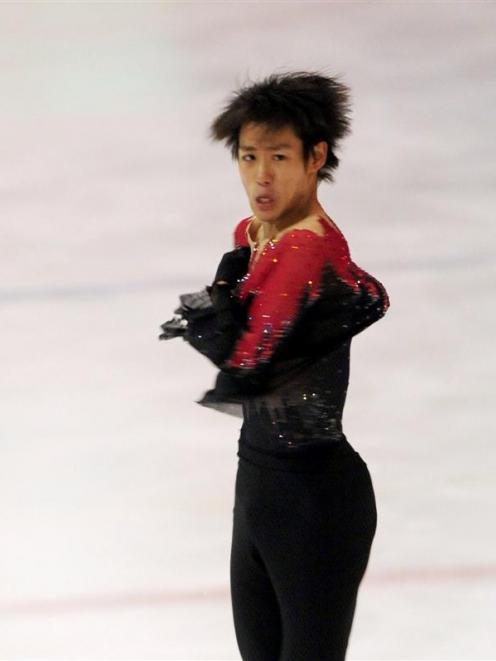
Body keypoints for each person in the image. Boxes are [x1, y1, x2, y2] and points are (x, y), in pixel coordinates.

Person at [159, 70, 390, 661]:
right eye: (248, 156)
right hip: (258, 487)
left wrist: (212, 319)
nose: (261, 175)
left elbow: (253, 359)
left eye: (279, 157)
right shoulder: (256, 234)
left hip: (315, 501)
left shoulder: (307, 248)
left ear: (316, 158)